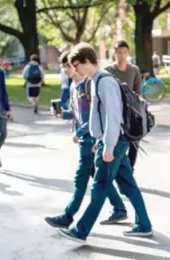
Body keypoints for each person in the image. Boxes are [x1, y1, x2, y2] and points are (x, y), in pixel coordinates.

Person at [56, 42, 152, 242]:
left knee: (99, 186)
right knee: (128, 184)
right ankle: (144, 224)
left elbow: (113, 116)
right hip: (110, 141)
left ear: (87, 62)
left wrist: (107, 146)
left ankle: (80, 231)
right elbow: (98, 116)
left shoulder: (104, 82)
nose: (76, 70)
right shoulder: (95, 81)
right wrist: (98, 138)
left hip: (114, 143)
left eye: (77, 65)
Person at [45, 50, 121, 229]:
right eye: (63, 66)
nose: (67, 69)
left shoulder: (90, 84)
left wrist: (80, 132)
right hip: (85, 140)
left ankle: (68, 215)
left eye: (69, 65)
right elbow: (76, 114)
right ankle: (119, 207)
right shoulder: (73, 86)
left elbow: (95, 117)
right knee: (98, 177)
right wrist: (63, 114)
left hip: (90, 140)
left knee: (81, 178)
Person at [104, 40, 142, 171]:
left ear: (128, 53)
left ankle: (130, 169)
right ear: (115, 53)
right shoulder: (107, 71)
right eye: (119, 52)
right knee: (117, 141)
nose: (122, 55)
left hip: (131, 111)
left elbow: (138, 93)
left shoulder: (134, 70)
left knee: (134, 142)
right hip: (114, 110)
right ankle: (117, 168)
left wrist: (139, 111)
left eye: (125, 52)